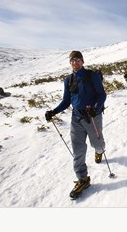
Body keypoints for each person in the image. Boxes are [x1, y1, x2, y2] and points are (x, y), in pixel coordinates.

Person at [45, 50, 107, 199]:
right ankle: (83, 179)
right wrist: (53, 112)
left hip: (92, 117)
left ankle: (99, 151)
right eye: (72, 60)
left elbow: (102, 95)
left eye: (78, 60)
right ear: (70, 63)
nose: (75, 63)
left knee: (97, 144)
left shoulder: (92, 76)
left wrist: (96, 109)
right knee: (78, 150)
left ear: (83, 61)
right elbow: (66, 101)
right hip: (76, 118)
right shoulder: (69, 80)